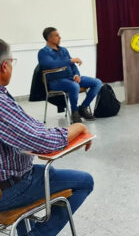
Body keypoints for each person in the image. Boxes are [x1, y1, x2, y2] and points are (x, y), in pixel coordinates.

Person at [0, 39, 94, 236]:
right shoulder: (45, 53)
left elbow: (26, 125)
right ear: (4, 66)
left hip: (16, 175)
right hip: (11, 186)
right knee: (84, 181)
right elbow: (41, 141)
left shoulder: (62, 50)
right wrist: (76, 129)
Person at [38, 27, 102, 123]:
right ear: (49, 38)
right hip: (56, 81)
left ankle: (83, 108)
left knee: (97, 82)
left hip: (70, 78)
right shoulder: (43, 53)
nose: (60, 37)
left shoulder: (63, 50)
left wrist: (77, 75)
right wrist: (70, 60)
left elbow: (72, 65)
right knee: (74, 86)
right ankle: (74, 112)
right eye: (57, 36)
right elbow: (51, 64)